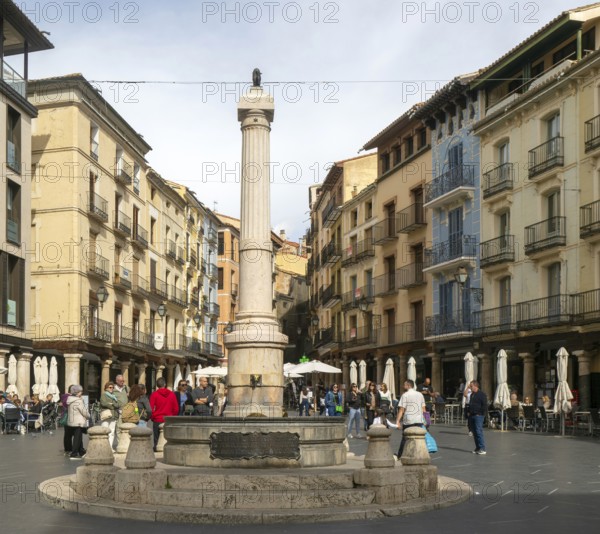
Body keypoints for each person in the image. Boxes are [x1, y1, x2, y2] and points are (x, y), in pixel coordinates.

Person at [395, 379, 426, 459]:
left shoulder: (405, 395)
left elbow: (401, 409)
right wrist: (426, 420)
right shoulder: (420, 394)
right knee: (418, 438)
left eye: (404, 385)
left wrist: (398, 421)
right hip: (419, 419)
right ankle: (419, 454)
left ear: (408, 385)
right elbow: (424, 409)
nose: (403, 386)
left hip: (408, 420)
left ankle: (400, 455)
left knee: (405, 438)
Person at [149, 377, 179, 451]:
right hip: (169, 418)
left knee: (157, 438)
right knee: (169, 436)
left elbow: (151, 408)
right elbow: (176, 408)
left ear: (157, 385)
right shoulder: (172, 394)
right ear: (165, 384)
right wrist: (173, 416)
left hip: (157, 418)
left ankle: (156, 448)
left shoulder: (154, 394)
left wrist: (153, 417)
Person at [67, 385, 89, 459]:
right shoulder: (78, 401)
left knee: (78, 437)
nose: (82, 393)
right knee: (77, 438)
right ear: (77, 392)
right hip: (78, 422)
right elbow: (84, 412)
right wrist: (88, 416)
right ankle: (74, 454)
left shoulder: (70, 399)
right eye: (81, 391)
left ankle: (81, 451)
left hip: (72, 421)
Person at [99, 381, 121, 450]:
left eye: (113, 387)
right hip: (106, 416)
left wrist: (112, 404)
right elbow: (103, 403)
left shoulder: (114, 396)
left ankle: (110, 447)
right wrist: (112, 405)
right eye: (110, 387)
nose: (112, 389)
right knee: (104, 432)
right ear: (106, 388)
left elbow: (118, 404)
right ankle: (104, 447)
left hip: (113, 416)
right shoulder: (104, 395)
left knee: (111, 432)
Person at [469, 381, 488, 455]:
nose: (470, 388)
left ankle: (482, 448)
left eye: (471, 386)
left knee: (478, 431)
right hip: (472, 415)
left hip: (478, 416)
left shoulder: (482, 394)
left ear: (475, 386)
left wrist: (479, 413)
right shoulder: (472, 395)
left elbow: (484, 406)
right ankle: (478, 448)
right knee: (475, 432)